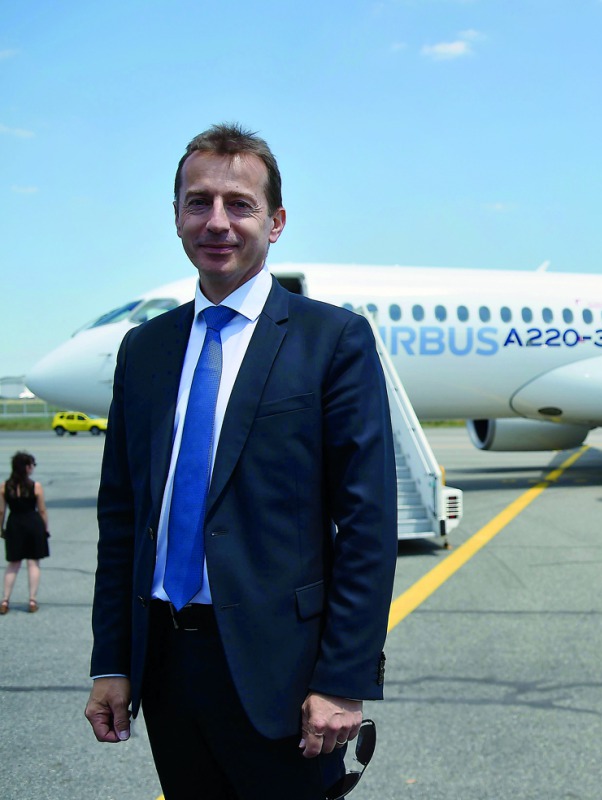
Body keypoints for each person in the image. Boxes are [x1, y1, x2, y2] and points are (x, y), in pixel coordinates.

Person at [83, 123, 398, 799]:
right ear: (175, 217)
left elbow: (368, 526)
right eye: (198, 202)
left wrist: (342, 679)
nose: (217, 222)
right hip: (165, 666)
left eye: (239, 204)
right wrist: (111, 660)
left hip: (281, 675)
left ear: (276, 222)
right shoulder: (146, 351)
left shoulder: (332, 341)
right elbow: (123, 517)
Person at [1, 452, 49, 614]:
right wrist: (45, 528)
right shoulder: (36, 486)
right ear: (27, 467)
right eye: (32, 465)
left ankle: (5, 600)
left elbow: (1, 511)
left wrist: (1, 529)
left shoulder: (4, 486)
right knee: (33, 563)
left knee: (13, 563)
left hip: (15, 524)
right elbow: (42, 510)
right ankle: (32, 599)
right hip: (33, 524)